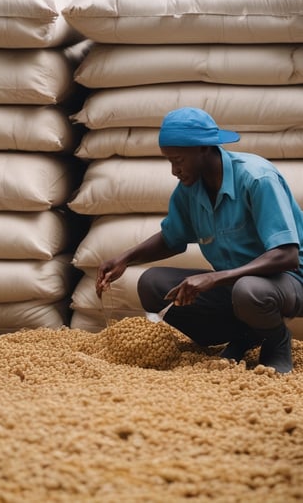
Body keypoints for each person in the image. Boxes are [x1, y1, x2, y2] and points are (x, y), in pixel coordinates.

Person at [96, 107, 303, 374]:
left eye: (179, 160)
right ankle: (247, 334)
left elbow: (285, 255)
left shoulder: (256, 178)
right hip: (237, 284)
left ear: (205, 148)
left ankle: (276, 341)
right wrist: (125, 258)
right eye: (169, 161)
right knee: (152, 284)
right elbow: (172, 239)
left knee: (249, 290)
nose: (174, 170)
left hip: (291, 280)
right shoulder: (189, 189)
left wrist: (215, 278)